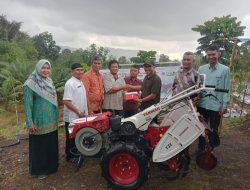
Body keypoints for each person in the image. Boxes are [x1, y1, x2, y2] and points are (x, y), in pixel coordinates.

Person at [24, 59, 59, 179]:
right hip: (38, 121)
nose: (45, 70)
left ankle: (51, 167)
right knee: (40, 146)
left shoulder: (49, 81)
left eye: (48, 68)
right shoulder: (30, 84)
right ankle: (40, 170)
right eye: (43, 68)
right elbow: (28, 104)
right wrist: (29, 122)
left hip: (51, 120)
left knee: (50, 144)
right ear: (38, 68)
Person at [197, 45, 230, 152]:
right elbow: (198, 87)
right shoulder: (201, 69)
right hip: (202, 104)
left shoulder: (225, 70)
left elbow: (227, 88)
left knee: (213, 129)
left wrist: (224, 105)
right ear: (206, 55)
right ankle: (201, 148)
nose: (211, 57)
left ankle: (210, 151)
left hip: (216, 106)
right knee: (201, 128)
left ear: (218, 54)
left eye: (213, 54)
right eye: (209, 55)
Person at [63, 63, 88, 161]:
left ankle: (77, 154)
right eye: (77, 70)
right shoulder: (70, 83)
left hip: (80, 116)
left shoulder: (80, 81)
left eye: (81, 70)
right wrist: (78, 111)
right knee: (71, 137)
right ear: (72, 71)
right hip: (72, 117)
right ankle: (70, 156)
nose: (80, 72)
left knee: (78, 136)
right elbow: (65, 101)